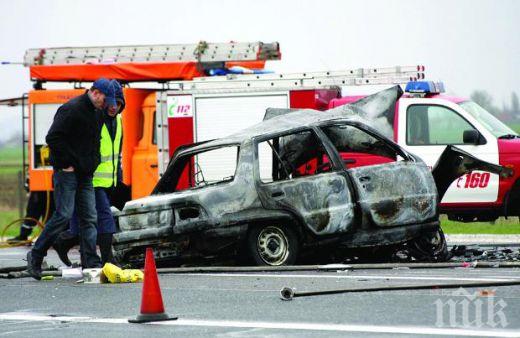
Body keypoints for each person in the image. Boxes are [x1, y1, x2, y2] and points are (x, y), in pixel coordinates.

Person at [26, 78, 116, 280]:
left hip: (85, 174)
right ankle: (36, 255)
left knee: (89, 218)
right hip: (67, 173)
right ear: (95, 92)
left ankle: (91, 264)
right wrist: (67, 163)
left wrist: (93, 162)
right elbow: (53, 138)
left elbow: (95, 140)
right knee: (64, 215)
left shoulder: (98, 113)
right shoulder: (72, 109)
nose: (107, 104)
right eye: (105, 99)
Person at [53, 80, 125, 266]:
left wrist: (118, 178)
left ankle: (65, 242)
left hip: (107, 181)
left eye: (118, 103)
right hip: (90, 178)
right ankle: (107, 259)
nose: (114, 107)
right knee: (103, 218)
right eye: (112, 102)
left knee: (86, 223)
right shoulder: (95, 117)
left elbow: (117, 153)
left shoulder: (118, 121)